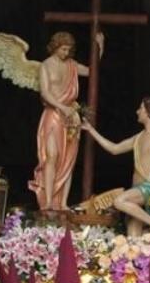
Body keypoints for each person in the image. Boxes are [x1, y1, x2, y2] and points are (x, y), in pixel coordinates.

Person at [81, 96, 150, 236]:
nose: (137, 111)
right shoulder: (139, 137)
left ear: (148, 112)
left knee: (119, 201)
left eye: (141, 108)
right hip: (137, 190)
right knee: (133, 238)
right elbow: (114, 149)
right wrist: (91, 130)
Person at [31, 31, 103, 211]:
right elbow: (45, 92)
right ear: (55, 47)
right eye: (63, 49)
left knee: (68, 160)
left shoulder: (72, 65)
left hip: (71, 116)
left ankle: (63, 203)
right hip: (53, 114)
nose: (65, 53)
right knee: (52, 156)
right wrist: (61, 107)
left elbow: (91, 71)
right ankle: (48, 202)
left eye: (68, 50)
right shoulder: (46, 65)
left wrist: (100, 48)